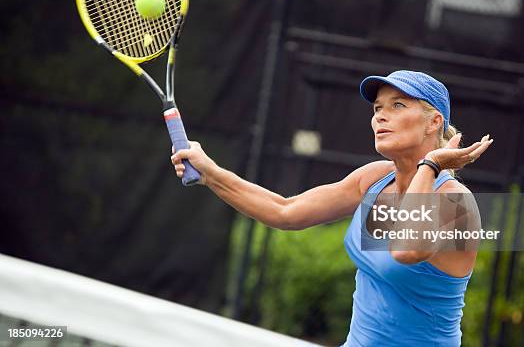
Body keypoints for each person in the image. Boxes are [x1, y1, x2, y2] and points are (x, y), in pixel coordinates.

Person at [170, 70, 493, 346]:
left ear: (433, 122)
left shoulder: (455, 202)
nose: (381, 115)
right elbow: (285, 211)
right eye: (378, 107)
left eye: (397, 105)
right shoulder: (374, 179)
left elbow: (406, 250)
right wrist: (210, 173)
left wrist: (431, 164)